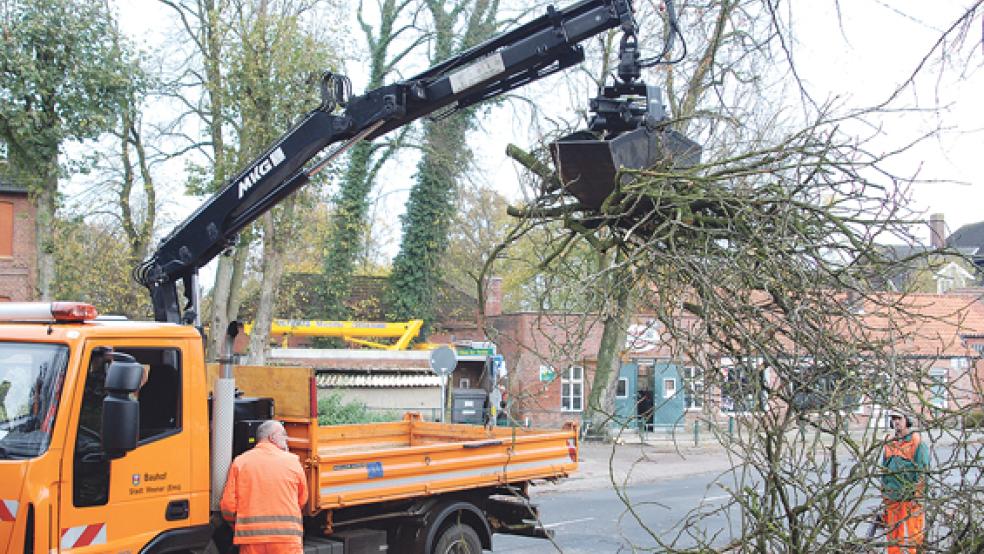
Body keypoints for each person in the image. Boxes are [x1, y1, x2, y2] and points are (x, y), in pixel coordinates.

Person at [220, 420, 308, 554]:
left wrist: (237, 524)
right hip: (286, 539)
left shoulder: (240, 462)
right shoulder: (292, 461)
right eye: (284, 435)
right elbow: (302, 500)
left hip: (251, 540)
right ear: (273, 437)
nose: (287, 439)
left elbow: (228, 507)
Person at [880, 411, 930, 554]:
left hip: (910, 499)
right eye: (893, 419)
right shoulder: (889, 443)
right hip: (892, 499)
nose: (896, 422)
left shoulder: (916, 442)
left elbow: (922, 472)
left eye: (899, 418)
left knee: (913, 537)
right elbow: (884, 470)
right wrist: (884, 494)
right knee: (894, 538)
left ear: (907, 420)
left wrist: (917, 496)